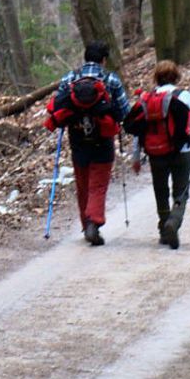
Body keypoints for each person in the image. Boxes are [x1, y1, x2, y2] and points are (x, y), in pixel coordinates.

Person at [45, 42, 131, 246]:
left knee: (83, 184)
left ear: (85, 58)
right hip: (103, 138)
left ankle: (86, 226)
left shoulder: (70, 77)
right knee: (98, 185)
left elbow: (57, 106)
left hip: (77, 138)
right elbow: (124, 110)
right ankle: (94, 222)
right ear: (103, 60)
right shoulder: (111, 79)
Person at [128, 60, 190, 249]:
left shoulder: (147, 99)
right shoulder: (184, 96)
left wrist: (136, 157)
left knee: (160, 190)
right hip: (181, 151)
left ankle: (164, 229)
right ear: (176, 77)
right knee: (181, 190)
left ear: (156, 78)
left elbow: (139, 130)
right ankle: (174, 221)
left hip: (156, 152)